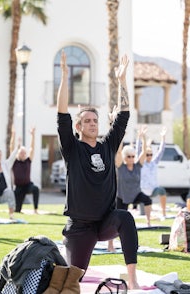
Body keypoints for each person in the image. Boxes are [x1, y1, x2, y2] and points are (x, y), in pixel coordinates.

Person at [56, 50, 140, 290]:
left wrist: (122, 81)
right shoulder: (72, 149)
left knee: (125, 217)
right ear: (79, 126)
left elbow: (123, 115)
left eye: (95, 120)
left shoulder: (107, 146)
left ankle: (132, 281)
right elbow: (61, 115)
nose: (93, 123)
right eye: (88, 121)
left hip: (105, 222)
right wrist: (64, 76)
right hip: (80, 227)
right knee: (73, 282)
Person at [115, 126, 152, 227]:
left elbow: (144, 152)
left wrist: (143, 138)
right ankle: (112, 239)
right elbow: (118, 151)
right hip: (122, 196)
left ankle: (148, 221)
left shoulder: (137, 166)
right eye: (129, 156)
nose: (131, 158)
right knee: (120, 218)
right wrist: (122, 137)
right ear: (125, 157)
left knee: (148, 200)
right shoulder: (120, 166)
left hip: (136, 194)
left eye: (133, 156)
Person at [136, 127, 167, 220]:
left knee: (162, 191)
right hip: (142, 190)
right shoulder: (141, 163)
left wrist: (163, 138)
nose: (149, 156)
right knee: (143, 209)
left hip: (153, 189)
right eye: (147, 154)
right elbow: (138, 151)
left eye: (151, 154)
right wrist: (140, 137)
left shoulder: (154, 162)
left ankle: (164, 212)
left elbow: (161, 151)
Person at [10, 127, 39, 214]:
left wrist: (33, 135)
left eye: (24, 153)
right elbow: (11, 148)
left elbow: (32, 148)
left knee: (35, 189)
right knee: (17, 211)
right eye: (21, 153)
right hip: (18, 188)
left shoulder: (28, 161)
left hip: (28, 185)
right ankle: (17, 208)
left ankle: (35, 209)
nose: (23, 154)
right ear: (18, 154)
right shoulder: (14, 161)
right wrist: (13, 134)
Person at [0, 144, 19, 220]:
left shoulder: (5, 165)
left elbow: (12, 158)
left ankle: (11, 216)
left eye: (0, 155)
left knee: (10, 193)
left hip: (4, 194)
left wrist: (17, 147)